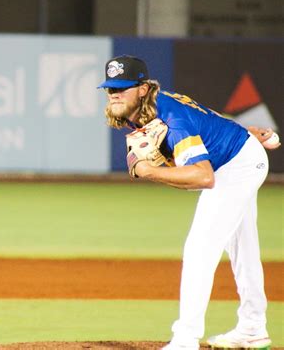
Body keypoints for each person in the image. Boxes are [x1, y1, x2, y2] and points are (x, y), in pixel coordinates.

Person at [98, 55, 280, 350]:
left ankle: (186, 338)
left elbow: (203, 177)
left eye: (123, 87)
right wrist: (243, 131)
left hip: (236, 167)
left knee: (199, 249)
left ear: (142, 89)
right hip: (238, 156)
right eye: (110, 88)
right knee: (244, 248)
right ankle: (252, 327)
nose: (115, 94)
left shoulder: (171, 120)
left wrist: (147, 170)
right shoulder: (151, 105)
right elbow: (205, 116)